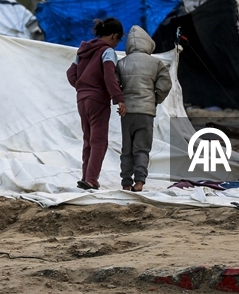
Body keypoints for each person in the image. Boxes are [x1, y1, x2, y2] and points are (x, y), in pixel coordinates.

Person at [67, 18, 126, 190]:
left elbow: (71, 73)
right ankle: (92, 180)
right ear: (115, 36)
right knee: (99, 141)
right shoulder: (107, 52)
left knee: (88, 140)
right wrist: (119, 98)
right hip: (98, 100)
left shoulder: (82, 50)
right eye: (118, 40)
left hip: (82, 99)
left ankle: (85, 176)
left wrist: (81, 86)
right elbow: (109, 76)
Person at [115, 25, 172, 192]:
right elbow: (165, 85)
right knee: (142, 149)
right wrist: (155, 100)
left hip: (126, 112)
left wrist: (121, 99)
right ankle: (139, 182)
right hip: (146, 112)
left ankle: (126, 183)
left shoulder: (121, 63)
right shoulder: (155, 63)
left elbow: (114, 84)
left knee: (127, 149)